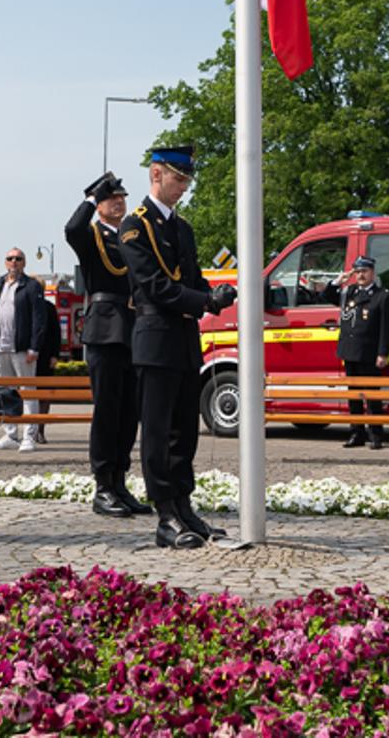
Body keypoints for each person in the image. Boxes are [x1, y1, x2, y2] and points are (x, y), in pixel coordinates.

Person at [120, 145, 235, 548]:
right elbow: (155, 285)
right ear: (156, 175)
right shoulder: (135, 226)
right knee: (157, 430)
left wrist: (215, 292)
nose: (183, 187)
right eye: (178, 178)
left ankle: (184, 507)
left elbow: (191, 279)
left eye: (187, 179)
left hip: (185, 338)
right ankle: (165, 513)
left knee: (184, 430)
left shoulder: (182, 228)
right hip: (155, 337)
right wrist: (203, 301)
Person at [65, 172, 151, 517]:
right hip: (105, 327)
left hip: (133, 325)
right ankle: (102, 485)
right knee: (107, 411)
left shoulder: (131, 235)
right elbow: (71, 230)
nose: (119, 202)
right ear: (99, 205)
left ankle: (119, 481)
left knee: (129, 411)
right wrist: (89, 198)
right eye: (110, 198)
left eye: (121, 197)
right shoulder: (92, 235)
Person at [0, 247, 46, 452]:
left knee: (27, 392)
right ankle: (10, 434)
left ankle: (29, 436)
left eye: (18, 258)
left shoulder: (31, 286)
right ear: (5, 262)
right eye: (10, 258)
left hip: (22, 349)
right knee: (5, 392)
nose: (14, 262)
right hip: (1, 348)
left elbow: (39, 318)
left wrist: (34, 347)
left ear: (24, 263)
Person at [336, 255, 389, 449]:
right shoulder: (349, 292)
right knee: (353, 397)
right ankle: (356, 433)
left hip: (369, 353)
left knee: (372, 396)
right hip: (350, 352)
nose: (361, 275)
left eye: (364, 271)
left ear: (372, 273)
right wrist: (337, 282)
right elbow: (324, 296)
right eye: (358, 271)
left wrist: (383, 353)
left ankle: (376, 435)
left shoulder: (382, 296)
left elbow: (386, 328)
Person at [31, 295, 61, 444]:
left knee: (44, 395)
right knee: (29, 395)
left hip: (46, 356)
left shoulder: (49, 307)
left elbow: (56, 332)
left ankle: (40, 430)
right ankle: (30, 431)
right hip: (27, 356)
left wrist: (55, 355)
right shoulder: (25, 305)